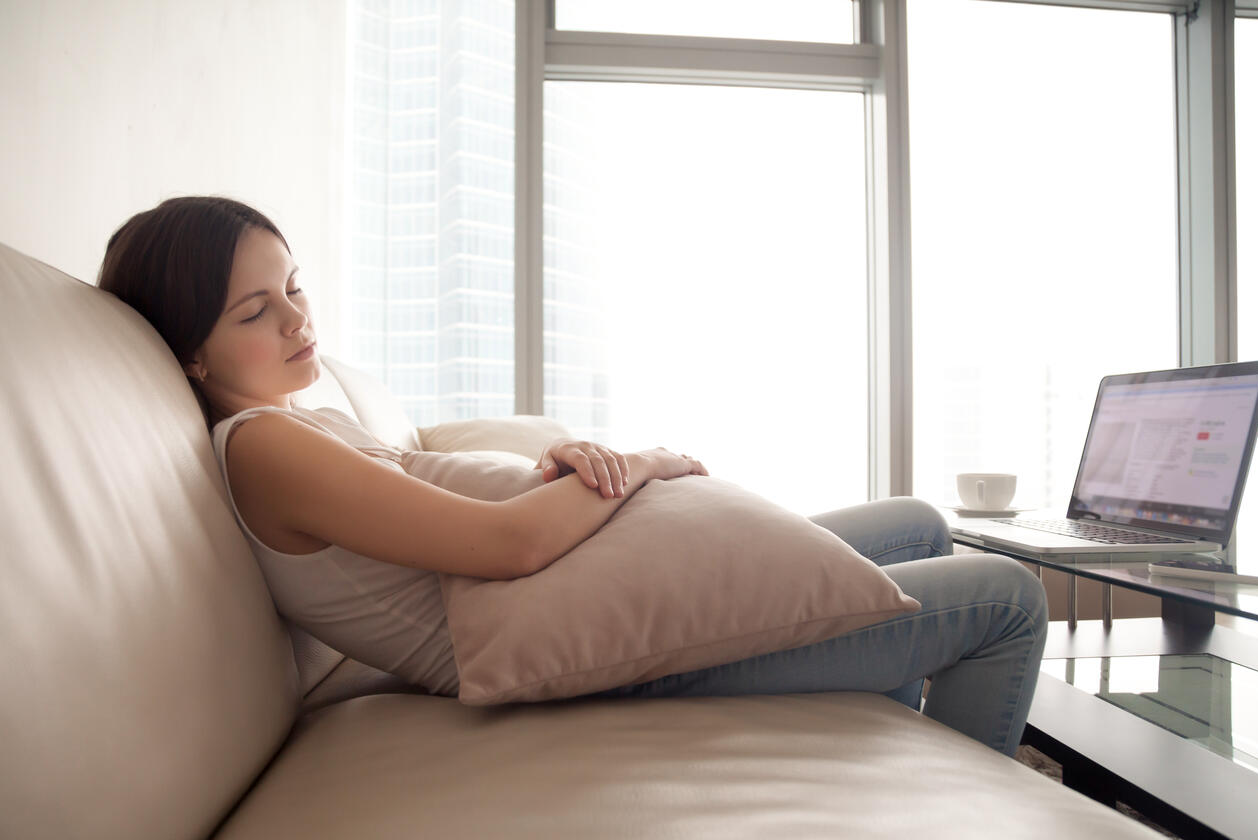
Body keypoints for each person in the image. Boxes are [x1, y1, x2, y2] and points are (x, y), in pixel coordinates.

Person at [98, 195, 1048, 757]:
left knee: (917, 524)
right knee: (1005, 597)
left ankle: (872, 734)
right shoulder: (264, 447)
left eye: (296, 287)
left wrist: (544, 467)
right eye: (257, 311)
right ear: (190, 354)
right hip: (588, 649)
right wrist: (633, 467)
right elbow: (503, 547)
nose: (299, 321)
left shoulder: (304, 416)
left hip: (586, 585)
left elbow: (455, 507)